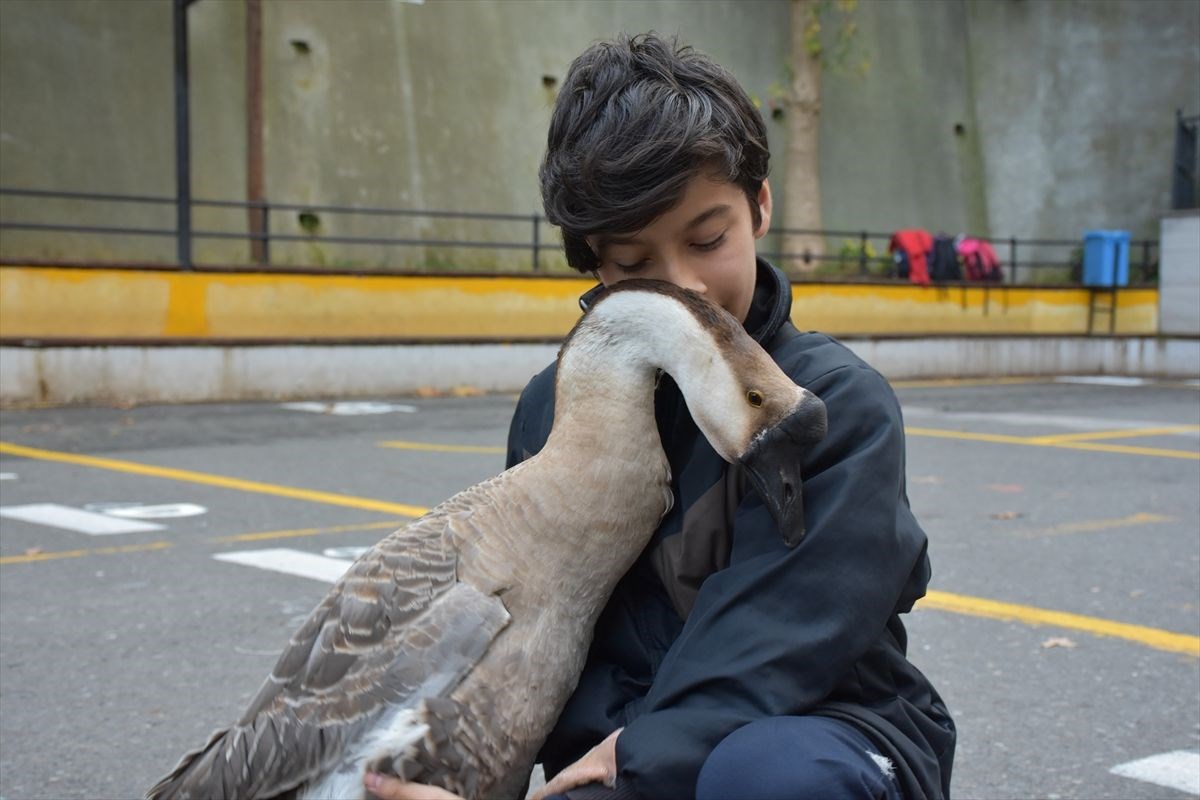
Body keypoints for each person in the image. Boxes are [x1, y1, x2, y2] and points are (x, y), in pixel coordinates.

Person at [367, 32, 955, 800]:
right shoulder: (550, 409)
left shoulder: (831, 406)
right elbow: (532, 630)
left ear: (761, 205)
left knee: (770, 780)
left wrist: (637, 757)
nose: (682, 291)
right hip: (606, 766)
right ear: (593, 263)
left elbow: (779, 642)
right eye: (634, 265)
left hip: (822, 737)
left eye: (708, 239)